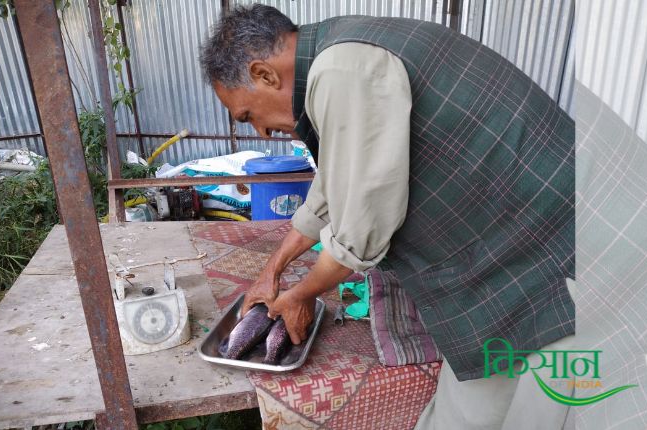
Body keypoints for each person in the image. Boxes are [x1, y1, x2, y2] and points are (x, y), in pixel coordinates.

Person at [200, 4, 575, 429]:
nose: (262, 133)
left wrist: (303, 294)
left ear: (265, 74)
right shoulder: (337, 57)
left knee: (524, 410)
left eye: (250, 116)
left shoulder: (341, 72)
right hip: (516, 246)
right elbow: (335, 187)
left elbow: (359, 233)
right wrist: (273, 269)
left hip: (548, 256)